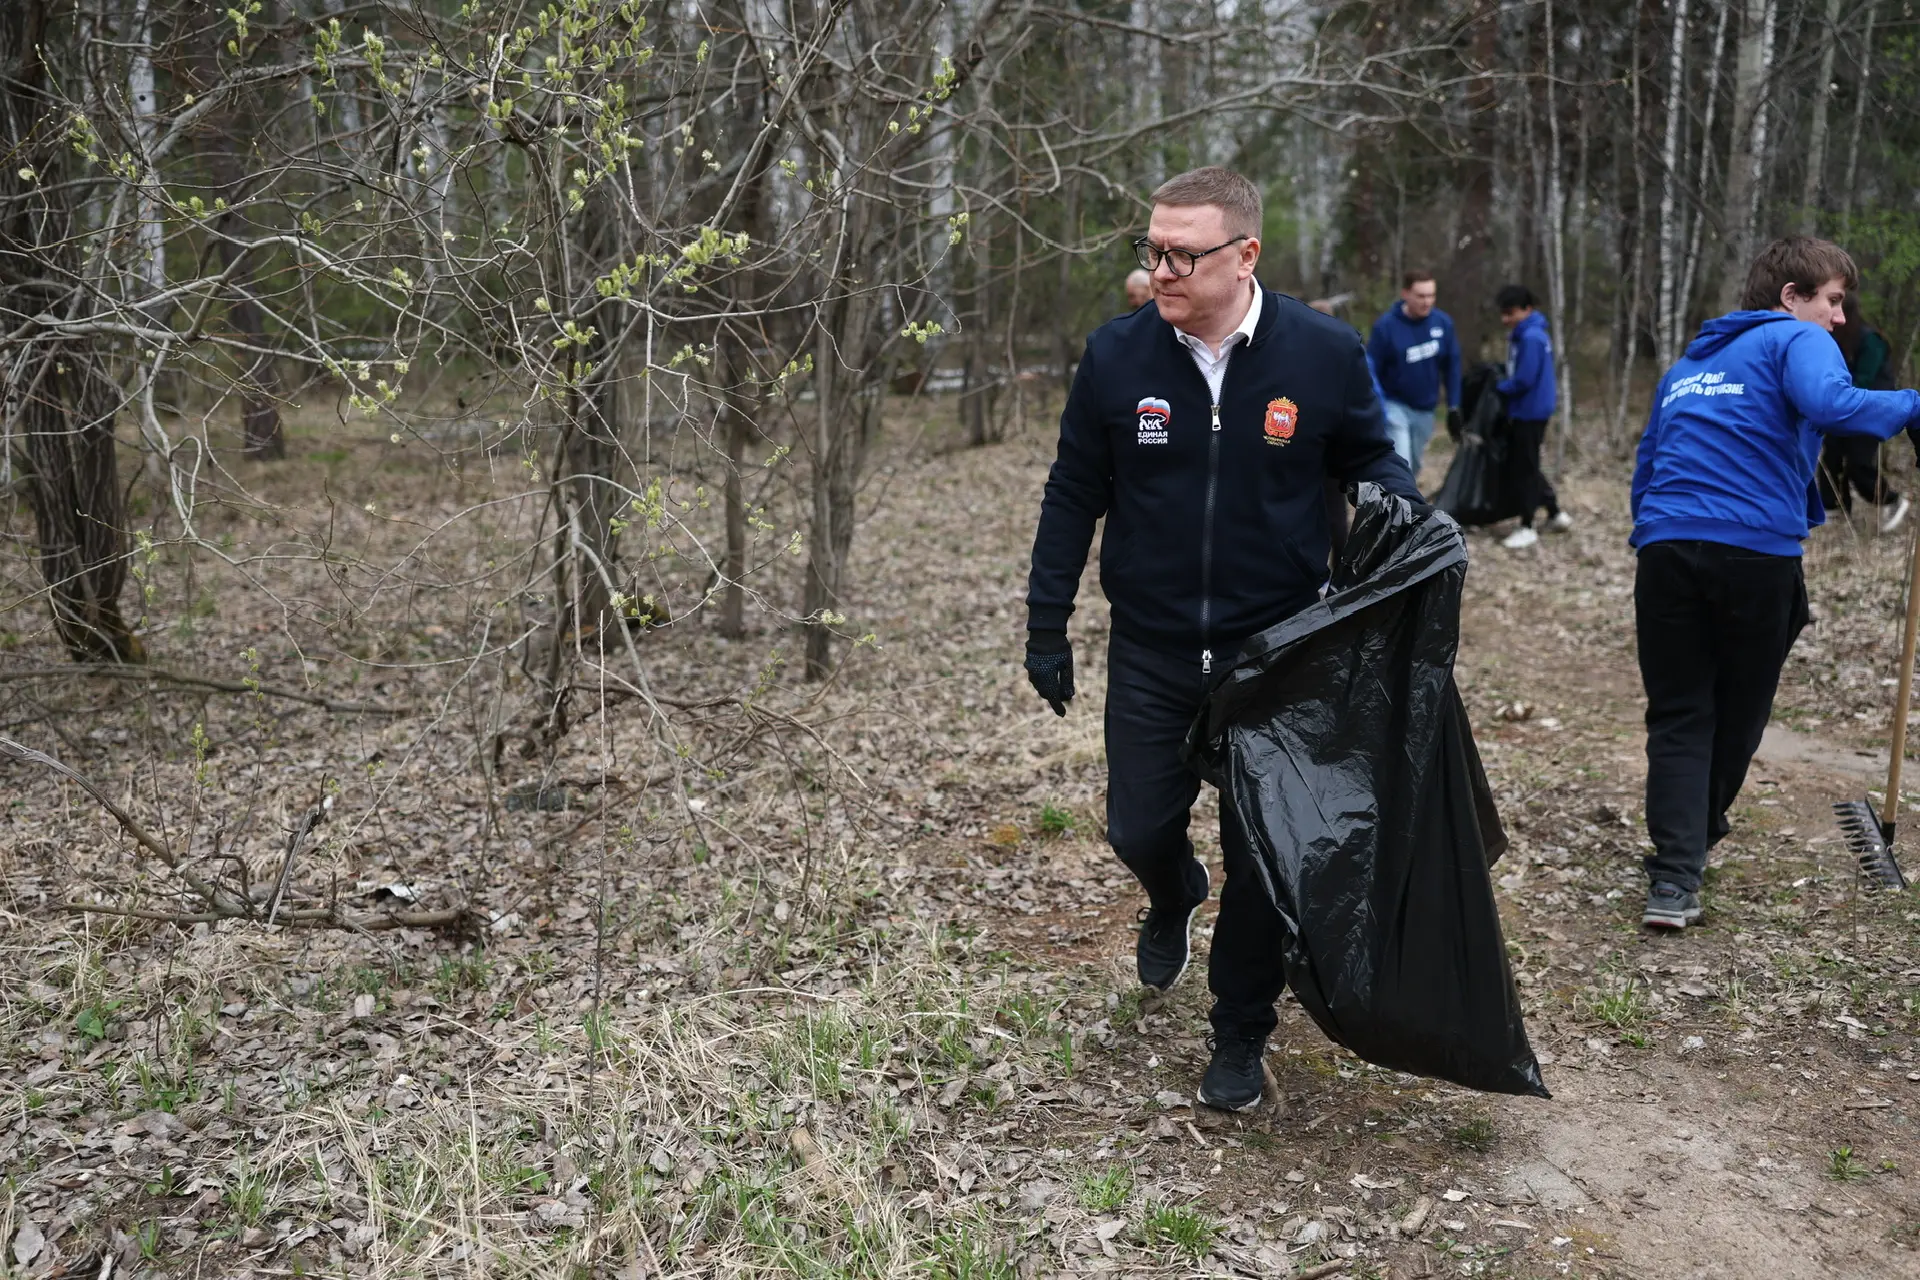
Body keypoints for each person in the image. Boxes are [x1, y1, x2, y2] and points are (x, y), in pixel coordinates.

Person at [1023, 166, 1420, 1111]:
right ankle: (1170, 892)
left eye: (1180, 254)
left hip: (1276, 654)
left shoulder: (1321, 353)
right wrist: (1047, 622)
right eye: (1150, 250)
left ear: (1244, 256)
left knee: (1264, 856)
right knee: (1137, 827)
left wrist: (1399, 513)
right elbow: (1074, 492)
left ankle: (1240, 1028)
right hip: (1155, 646)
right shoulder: (1117, 358)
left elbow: (1371, 458)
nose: (1159, 269)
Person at [1630, 236, 1920, 930]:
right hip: (1752, 555)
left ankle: (1674, 878)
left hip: (1666, 551)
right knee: (1738, 709)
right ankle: (1688, 845)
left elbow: (1647, 463)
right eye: (1832, 300)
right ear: (1791, 298)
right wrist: (1911, 405)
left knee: (1678, 712)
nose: (1839, 318)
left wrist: (1654, 532)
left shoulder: (1687, 366)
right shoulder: (1796, 338)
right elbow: (1830, 403)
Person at [1818, 292, 1910, 533]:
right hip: (1848, 408)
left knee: (1858, 463)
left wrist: (1836, 398)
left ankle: (1892, 501)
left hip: (1875, 408)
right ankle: (1834, 509)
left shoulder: (1871, 341)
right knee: (1831, 456)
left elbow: (1864, 381)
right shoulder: (1835, 339)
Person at [1493, 285, 1571, 549]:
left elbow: (1524, 379)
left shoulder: (1531, 338)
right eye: (1503, 314)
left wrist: (1499, 387)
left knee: (1524, 469)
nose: (1505, 319)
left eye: (1510, 313)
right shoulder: (1526, 334)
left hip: (1530, 410)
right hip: (1531, 409)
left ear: (1527, 309)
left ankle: (1527, 526)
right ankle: (1555, 512)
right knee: (1528, 463)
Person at [1367, 270, 1462, 479]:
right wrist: (1379, 406)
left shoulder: (1442, 324)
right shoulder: (1386, 327)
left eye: (1431, 296)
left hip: (1425, 408)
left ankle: (1404, 500)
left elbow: (1452, 365)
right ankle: (1401, 508)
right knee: (1402, 462)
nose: (1427, 302)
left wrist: (1454, 405)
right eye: (1421, 296)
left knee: (1415, 465)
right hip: (1395, 405)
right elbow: (1370, 367)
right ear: (1405, 294)